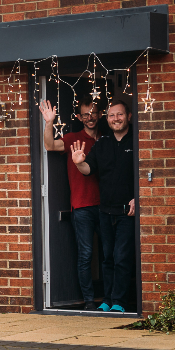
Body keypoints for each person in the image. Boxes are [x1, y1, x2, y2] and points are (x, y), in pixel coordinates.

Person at [70, 99, 135, 313]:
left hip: (128, 211)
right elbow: (89, 170)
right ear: (107, 120)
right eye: (112, 116)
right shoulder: (103, 143)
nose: (116, 119)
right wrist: (79, 162)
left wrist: (138, 197)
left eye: (119, 115)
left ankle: (120, 302)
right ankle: (107, 300)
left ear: (129, 117)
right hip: (105, 210)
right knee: (107, 258)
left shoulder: (137, 140)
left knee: (122, 258)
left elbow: (146, 173)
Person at [39, 96, 102, 310]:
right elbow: (48, 145)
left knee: (110, 255)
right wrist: (49, 122)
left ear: (100, 114)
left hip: (106, 206)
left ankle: (112, 301)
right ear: (79, 117)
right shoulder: (73, 138)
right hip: (82, 206)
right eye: (85, 114)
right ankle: (90, 301)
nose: (90, 117)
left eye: (93, 113)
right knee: (85, 256)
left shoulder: (107, 139)